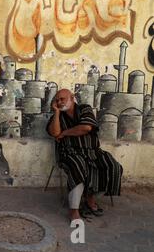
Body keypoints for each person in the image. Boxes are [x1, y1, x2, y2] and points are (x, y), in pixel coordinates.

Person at [46, 89, 123, 222]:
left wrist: (64, 134)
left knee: (113, 167)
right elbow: (54, 132)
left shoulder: (84, 109)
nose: (59, 102)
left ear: (72, 98)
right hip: (69, 153)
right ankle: (74, 210)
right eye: (57, 100)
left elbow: (86, 127)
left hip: (93, 151)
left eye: (62, 99)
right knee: (78, 167)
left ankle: (90, 196)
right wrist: (57, 112)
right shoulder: (57, 117)